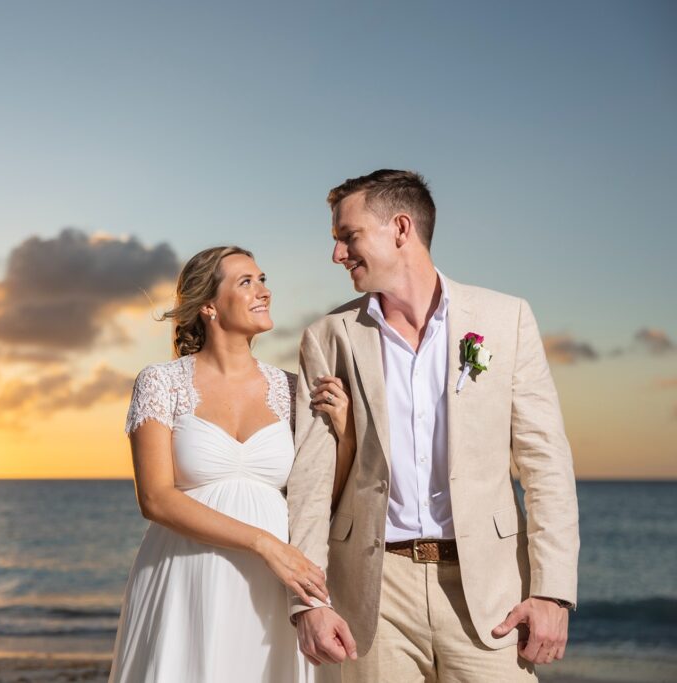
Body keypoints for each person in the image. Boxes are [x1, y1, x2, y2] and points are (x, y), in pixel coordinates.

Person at [287, 169, 580, 681]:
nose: (338, 254)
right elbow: (310, 480)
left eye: (347, 237)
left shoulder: (505, 319)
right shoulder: (328, 336)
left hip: (489, 594)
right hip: (372, 595)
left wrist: (552, 590)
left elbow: (545, 463)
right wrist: (307, 603)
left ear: (401, 229)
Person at [109, 246, 352, 683]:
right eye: (247, 282)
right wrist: (266, 545)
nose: (264, 291)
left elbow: (322, 495)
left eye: (263, 279)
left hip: (275, 583)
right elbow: (155, 498)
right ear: (208, 306)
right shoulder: (161, 382)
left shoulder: (292, 390)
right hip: (188, 574)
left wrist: (344, 431)